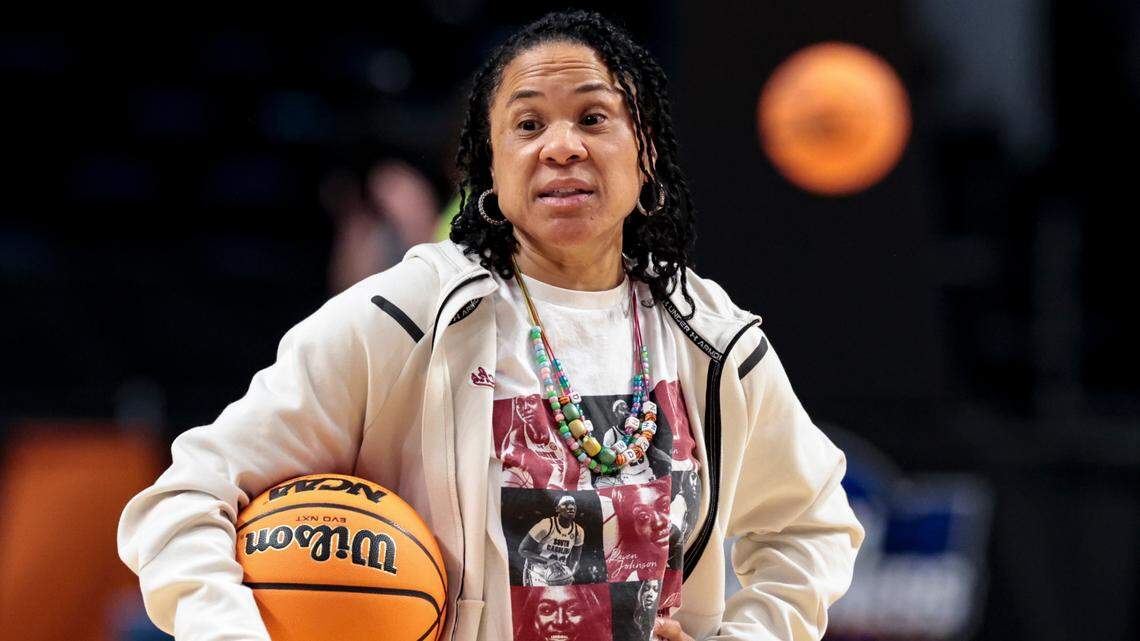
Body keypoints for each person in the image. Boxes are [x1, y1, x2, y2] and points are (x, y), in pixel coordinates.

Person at [118, 10, 864, 641]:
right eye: (528, 122)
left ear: (646, 157)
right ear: (492, 167)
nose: (561, 144)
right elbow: (184, 500)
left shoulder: (711, 336)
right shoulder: (405, 319)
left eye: (594, 117)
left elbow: (813, 524)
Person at [518, 495, 586, 586]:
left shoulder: (579, 531)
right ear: (557, 509)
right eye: (566, 504)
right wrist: (547, 561)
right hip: (537, 572)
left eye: (573, 504)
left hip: (557, 574)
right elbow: (523, 550)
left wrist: (570, 573)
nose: (571, 507)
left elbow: (575, 560)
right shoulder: (546, 525)